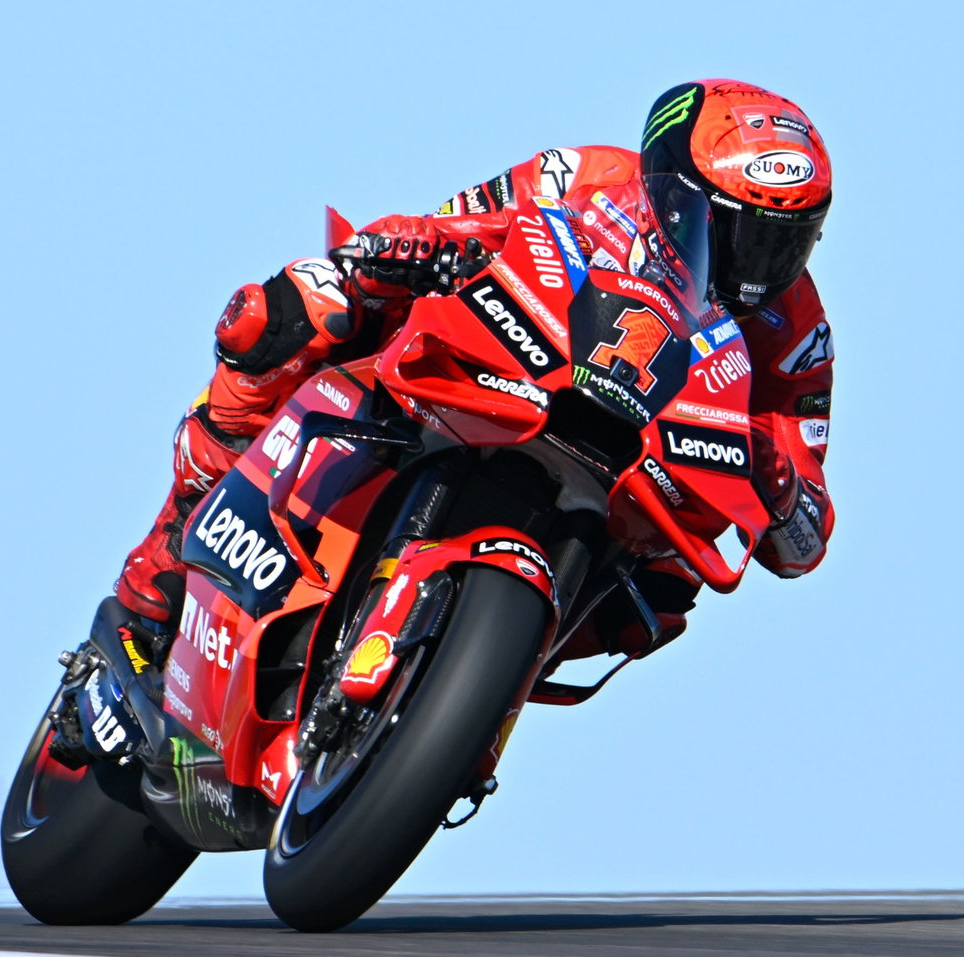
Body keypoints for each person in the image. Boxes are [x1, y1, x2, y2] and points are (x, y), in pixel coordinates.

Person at [114, 79, 837, 657]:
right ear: (671, 189)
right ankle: (166, 554)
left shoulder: (797, 332)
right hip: (495, 370)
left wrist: (777, 481)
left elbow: (805, 541)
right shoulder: (583, 177)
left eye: (786, 240)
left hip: (627, 485)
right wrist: (402, 248)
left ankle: (469, 701)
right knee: (293, 308)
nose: (758, 264)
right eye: (737, 228)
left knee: (665, 596)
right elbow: (456, 225)